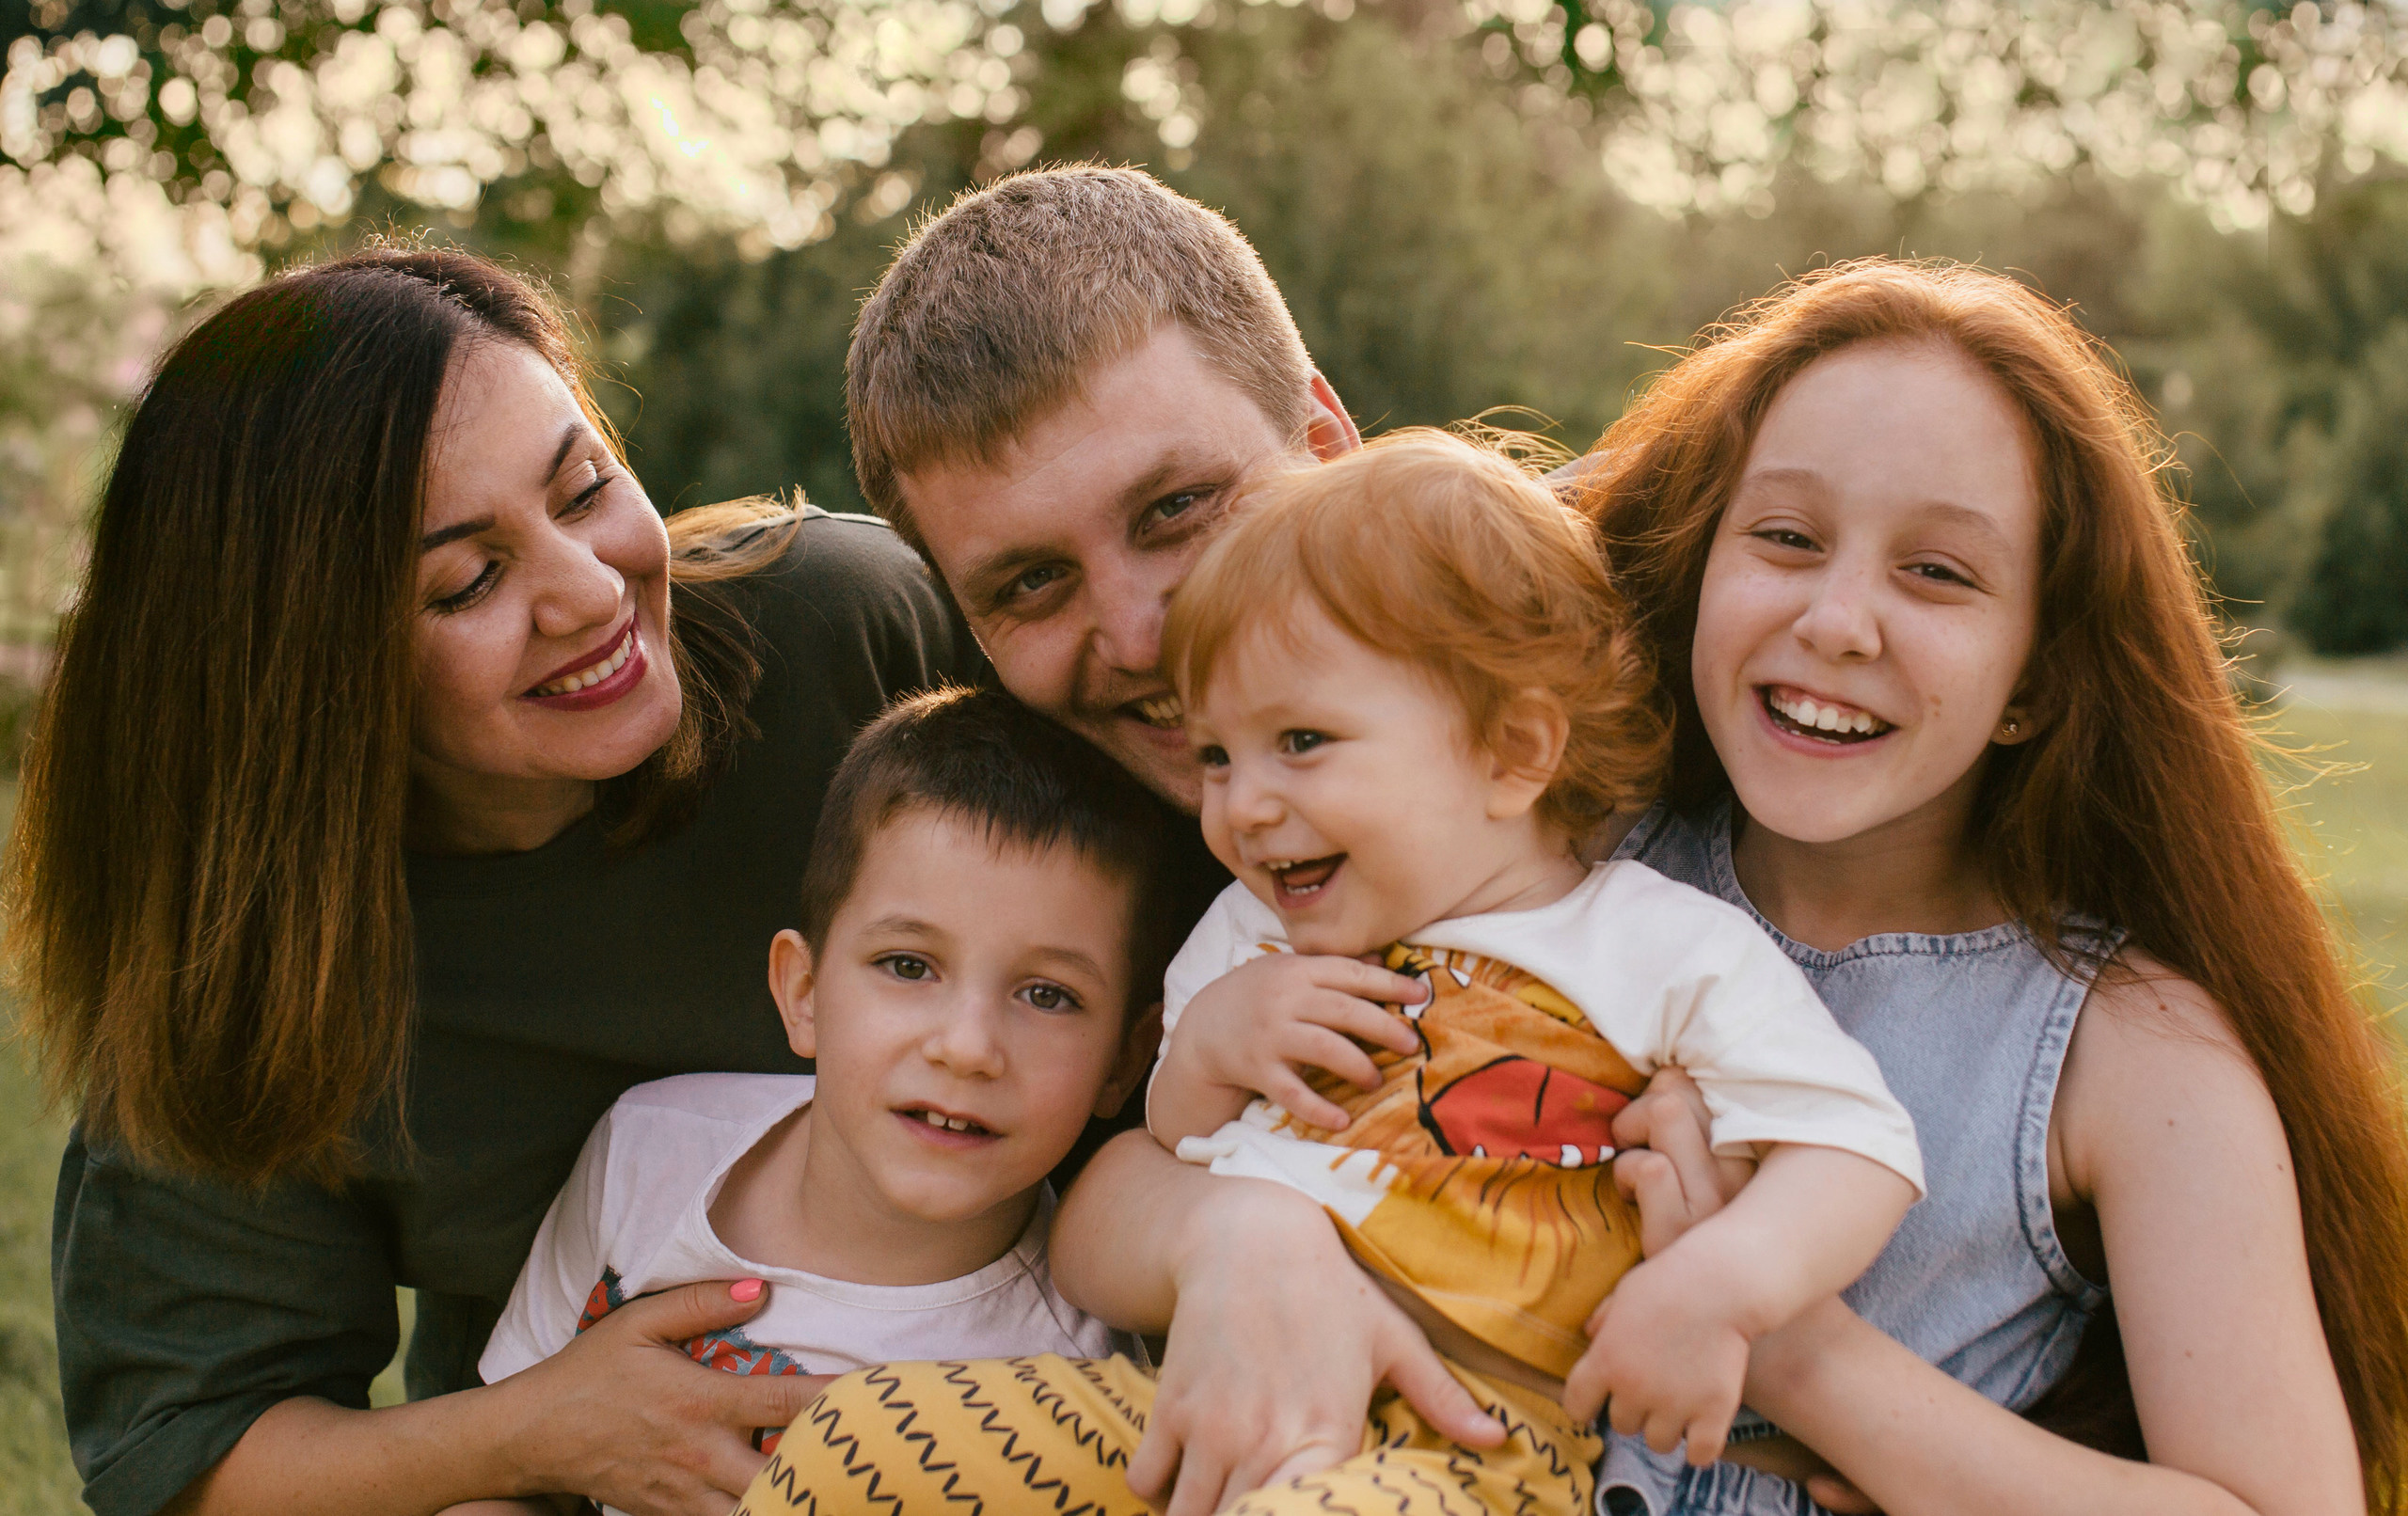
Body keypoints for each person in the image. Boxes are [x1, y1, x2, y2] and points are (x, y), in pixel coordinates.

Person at [731, 432, 1925, 1515]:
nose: (1242, 807)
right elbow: (1168, 1134)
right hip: (1208, 1396)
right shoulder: (1254, 936)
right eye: (1215, 754)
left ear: (1511, 751)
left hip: (1478, 1442)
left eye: (1300, 741)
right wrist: (1205, 1050)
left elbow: (1853, 1145)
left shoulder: (1655, 944)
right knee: (865, 1435)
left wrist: (1718, 1287)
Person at [12, 247, 983, 1516]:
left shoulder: (846, 635)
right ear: (309, 677)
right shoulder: (249, 967)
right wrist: (533, 1433)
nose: (588, 595)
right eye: (467, 581)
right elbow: (192, 1447)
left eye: (581, 494)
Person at [1572, 260, 2408, 1515]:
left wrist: (1800, 1353)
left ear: (2032, 684)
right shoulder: (1556, 855)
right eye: (1786, 539)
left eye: (1939, 574)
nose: (1840, 620)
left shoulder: (2128, 1049)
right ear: (1700, 567)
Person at [842, 166, 1565, 1512]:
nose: (1141, 634)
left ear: (1330, 447)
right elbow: (1114, 1178)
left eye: (1178, 509)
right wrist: (1235, 1229)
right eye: (1031, 584)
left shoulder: (1569, 706)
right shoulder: (1071, 848)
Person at [445, 687, 1174, 1516]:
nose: (967, 1048)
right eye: (908, 965)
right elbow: (514, 1473)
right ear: (803, 994)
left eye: (1047, 995)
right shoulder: (648, 1151)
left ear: (1124, 1060)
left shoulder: (1071, 1384)